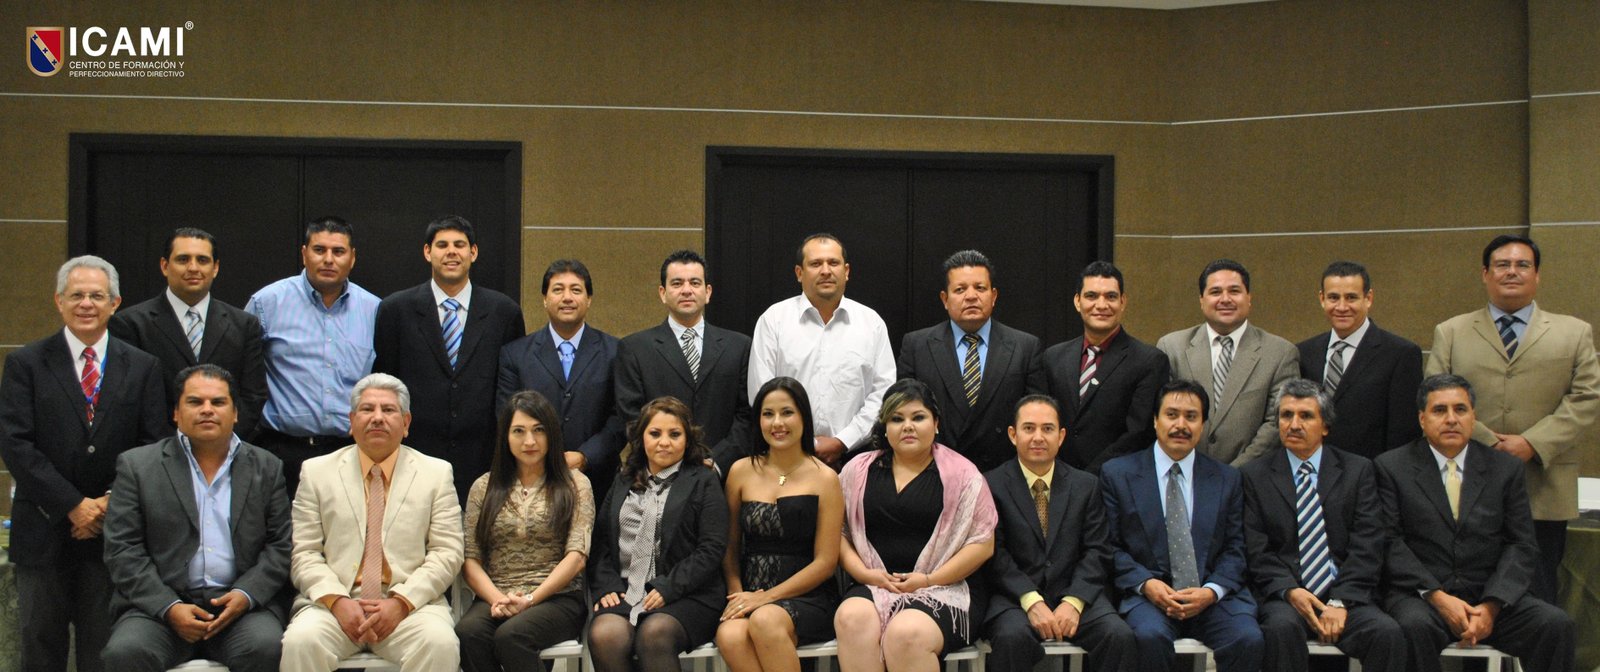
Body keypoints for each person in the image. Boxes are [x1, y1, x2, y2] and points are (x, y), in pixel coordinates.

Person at [0, 255, 167, 672]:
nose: (86, 304)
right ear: (59, 301)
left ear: (115, 303)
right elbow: (16, 445)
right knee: (40, 650)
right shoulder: (25, 364)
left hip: (113, 536)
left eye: (97, 295)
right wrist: (73, 505)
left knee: (104, 651)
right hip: (43, 533)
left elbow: (153, 446)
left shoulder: (143, 366)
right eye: (76, 295)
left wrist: (107, 504)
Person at [1424, 234, 1600, 604]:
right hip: (1467, 480)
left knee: (1539, 595)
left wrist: (1531, 443)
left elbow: (1586, 397)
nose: (1512, 272)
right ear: (1485, 274)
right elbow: (1434, 396)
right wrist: (1489, 442)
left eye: (1523, 265)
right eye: (1502, 265)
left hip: (1543, 485)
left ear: (1537, 275)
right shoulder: (1451, 331)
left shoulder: (1573, 332)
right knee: (1471, 591)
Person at [1376, 374, 1575, 672]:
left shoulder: (1504, 468)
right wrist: (1438, 598)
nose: (1451, 419)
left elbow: (1521, 544)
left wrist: (1491, 606)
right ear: (1422, 419)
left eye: (1460, 409)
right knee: (1411, 627)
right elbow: (1390, 542)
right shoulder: (1392, 467)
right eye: (1439, 410)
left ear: (1473, 417)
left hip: (1489, 596)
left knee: (1555, 625)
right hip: (1423, 597)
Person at [102, 365, 293, 672]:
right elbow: (123, 549)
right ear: (176, 413)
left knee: (267, 647)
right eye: (195, 402)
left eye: (218, 402)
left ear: (235, 413)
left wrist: (245, 595)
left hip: (239, 608)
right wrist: (169, 607)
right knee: (126, 652)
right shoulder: (137, 466)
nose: (207, 410)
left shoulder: (266, 466)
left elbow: (281, 545)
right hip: (159, 609)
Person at [280, 374, 464, 672]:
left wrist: (401, 602)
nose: (377, 418)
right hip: (333, 605)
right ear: (351, 421)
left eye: (388, 410)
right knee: (302, 641)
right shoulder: (316, 473)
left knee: (439, 643)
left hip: (410, 606)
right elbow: (304, 553)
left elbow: (447, 552)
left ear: (406, 423)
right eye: (367, 409)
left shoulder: (436, 473)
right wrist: (337, 601)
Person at [833, 378, 998, 672]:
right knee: (851, 618)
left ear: (936, 423)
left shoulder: (964, 475)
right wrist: (866, 574)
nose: (907, 426)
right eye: (897, 419)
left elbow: (982, 544)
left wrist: (928, 580)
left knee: (905, 633)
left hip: (945, 588)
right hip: (874, 584)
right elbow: (838, 533)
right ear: (885, 427)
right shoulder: (856, 470)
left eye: (918, 417)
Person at [1240, 379, 1403, 672]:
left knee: (1386, 633)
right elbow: (1256, 550)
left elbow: (1367, 544)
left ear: (1325, 426)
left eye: (1306, 416)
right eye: (1286, 415)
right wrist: (1290, 591)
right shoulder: (1254, 475)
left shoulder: (1358, 471)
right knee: (1280, 629)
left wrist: (1340, 602)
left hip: (1346, 595)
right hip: (1286, 597)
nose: (1294, 424)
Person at [1099, 379, 1263, 672]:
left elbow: (1236, 548)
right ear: (1155, 420)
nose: (1181, 425)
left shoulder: (1227, 478)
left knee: (1247, 638)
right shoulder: (1117, 474)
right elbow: (1109, 546)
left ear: (1203, 425)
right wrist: (1147, 585)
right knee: (1147, 637)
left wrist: (1211, 591)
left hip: (1211, 597)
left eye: (1191, 416)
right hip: (1149, 597)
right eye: (1171, 415)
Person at [374, 215, 526, 501]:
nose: (451, 252)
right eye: (442, 245)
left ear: (473, 252)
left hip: (483, 458)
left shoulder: (504, 312)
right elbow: (386, 381)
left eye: (460, 245)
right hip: (414, 454)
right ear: (427, 252)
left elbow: (513, 390)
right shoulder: (396, 310)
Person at [982, 394, 1135, 672]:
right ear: (1013, 435)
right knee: (1011, 638)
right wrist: (1031, 600)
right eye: (1029, 428)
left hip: (1075, 593)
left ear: (1061, 436)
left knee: (1117, 635)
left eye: (1048, 429)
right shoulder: (991, 485)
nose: (1038, 437)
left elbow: (1098, 550)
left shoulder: (1086, 485)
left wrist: (1074, 602)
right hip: (1015, 598)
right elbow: (995, 554)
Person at [456, 391, 595, 672]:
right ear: (505, 437)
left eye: (538, 430)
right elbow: (470, 559)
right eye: (518, 431)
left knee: (512, 635)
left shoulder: (575, 483)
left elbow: (577, 557)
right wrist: (498, 599)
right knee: (468, 633)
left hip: (558, 597)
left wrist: (530, 600)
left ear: (551, 434)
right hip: (497, 594)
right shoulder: (484, 486)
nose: (529, 441)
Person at [588, 397, 729, 672]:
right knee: (605, 634)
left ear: (687, 439)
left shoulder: (703, 479)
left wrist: (667, 588)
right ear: (641, 438)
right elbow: (601, 541)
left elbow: (711, 549)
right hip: (626, 590)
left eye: (674, 434)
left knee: (653, 634)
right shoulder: (623, 478)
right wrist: (606, 585)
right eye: (655, 433)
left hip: (689, 593)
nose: (664, 442)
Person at [715, 377, 843, 672]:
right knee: (730, 635)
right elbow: (728, 548)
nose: (777, 423)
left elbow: (826, 562)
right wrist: (737, 596)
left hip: (808, 595)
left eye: (787, 412)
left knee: (765, 620)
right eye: (768, 414)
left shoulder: (826, 478)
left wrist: (766, 598)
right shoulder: (740, 470)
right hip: (749, 590)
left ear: (803, 418)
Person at [245, 216, 380, 497]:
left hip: (349, 452)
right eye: (319, 250)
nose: (328, 259)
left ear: (352, 258)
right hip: (281, 451)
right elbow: (241, 372)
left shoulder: (375, 310)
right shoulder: (266, 303)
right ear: (304, 253)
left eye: (338, 251)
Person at [749, 233, 895, 467]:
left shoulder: (871, 323)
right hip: (786, 456)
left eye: (833, 263)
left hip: (856, 458)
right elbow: (762, 393)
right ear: (799, 273)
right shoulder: (773, 320)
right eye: (816, 264)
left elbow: (883, 393)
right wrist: (801, 441)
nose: (826, 271)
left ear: (846, 271)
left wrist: (843, 441)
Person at [109, 228, 268, 440]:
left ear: (215, 268)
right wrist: (170, 449)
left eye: (202, 260)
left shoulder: (244, 325)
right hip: (157, 450)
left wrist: (219, 443)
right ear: (164, 266)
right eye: (183, 259)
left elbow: (253, 396)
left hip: (226, 448)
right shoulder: (131, 324)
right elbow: (130, 398)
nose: (193, 268)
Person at [896, 250, 1044, 473]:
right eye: (960, 289)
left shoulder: (1025, 347)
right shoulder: (917, 346)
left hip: (1002, 474)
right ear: (945, 299)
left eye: (980, 288)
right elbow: (904, 414)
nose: (971, 296)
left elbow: (1036, 417)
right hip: (935, 472)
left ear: (994, 296)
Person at [614, 250, 753, 474]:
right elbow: (632, 417)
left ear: (707, 292)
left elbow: (746, 415)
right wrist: (669, 459)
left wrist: (716, 461)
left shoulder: (739, 346)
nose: (686, 290)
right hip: (659, 472)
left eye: (695, 283)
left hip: (722, 474)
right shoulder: (634, 348)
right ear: (663, 293)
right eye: (677, 283)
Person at [498, 259, 624, 501]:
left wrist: (585, 456)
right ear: (545, 299)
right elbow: (505, 415)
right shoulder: (515, 354)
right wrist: (542, 457)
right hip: (531, 479)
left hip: (599, 481)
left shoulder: (615, 352)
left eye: (576, 290)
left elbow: (621, 418)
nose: (567, 297)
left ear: (589, 299)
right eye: (558, 289)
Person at [1157, 259, 1298, 466]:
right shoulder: (1172, 347)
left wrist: (1233, 474)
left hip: (1249, 476)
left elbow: (1277, 422)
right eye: (1215, 292)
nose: (1225, 299)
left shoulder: (1280, 353)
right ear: (1201, 300)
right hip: (1184, 471)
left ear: (1249, 298)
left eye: (1234, 291)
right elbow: (1162, 416)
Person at [1041, 261, 1169, 472]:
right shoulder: (1053, 358)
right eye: (1091, 296)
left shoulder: (1149, 361)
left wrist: (1090, 478)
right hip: (1059, 478)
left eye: (1110, 297)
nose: (1101, 305)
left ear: (1123, 302)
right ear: (1077, 301)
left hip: (1118, 480)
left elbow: (1139, 433)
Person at [1294, 260, 1422, 459]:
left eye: (1351, 297)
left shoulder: (1401, 354)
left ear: (1368, 298)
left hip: (1370, 472)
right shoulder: (1304, 352)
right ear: (1322, 299)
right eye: (1333, 297)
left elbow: (1404, 434)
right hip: (1312, 470)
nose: (1342, 307)